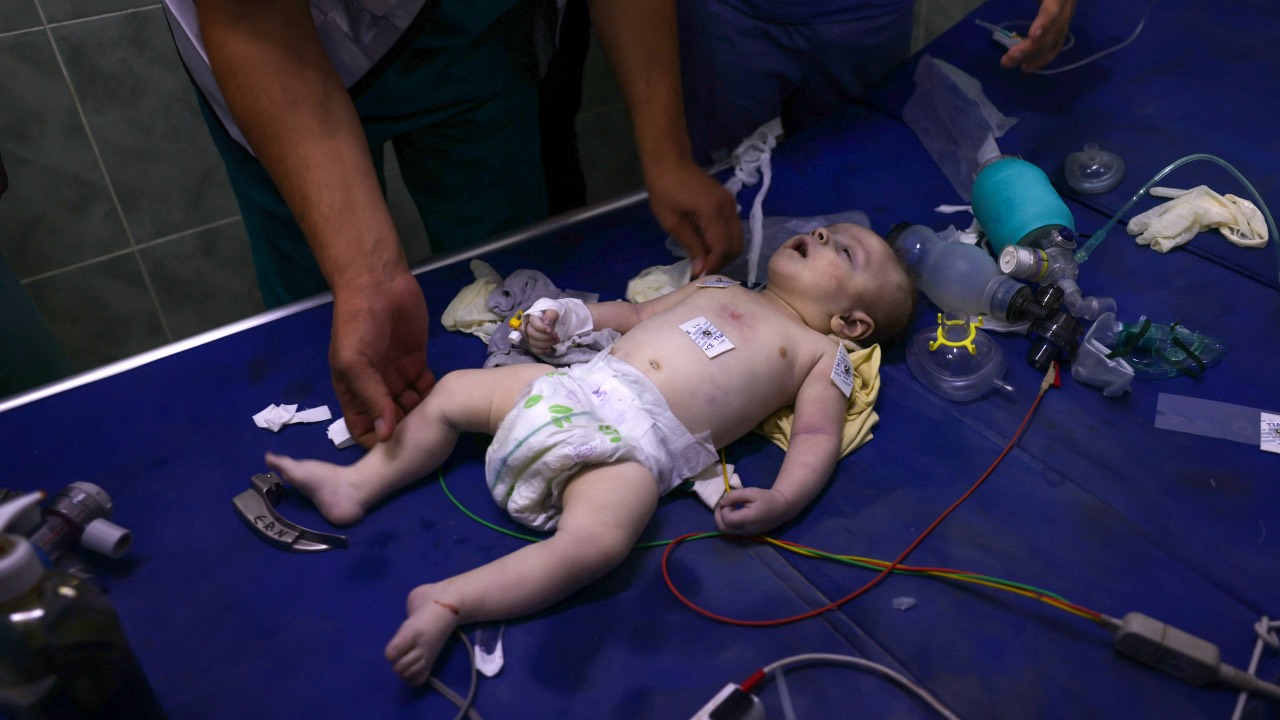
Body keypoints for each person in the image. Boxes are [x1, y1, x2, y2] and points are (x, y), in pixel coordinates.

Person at [263, 221, 914, 685]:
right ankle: (360, 484)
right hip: (571, 386)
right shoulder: (716, 283)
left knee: (600, 544)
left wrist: (782, 498)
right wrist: (571, 318)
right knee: (457, 391)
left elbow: (818, 438)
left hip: (637, 447)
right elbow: (636, 314)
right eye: (828, 230)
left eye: (844, 251)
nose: (823, 235)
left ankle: (449, 600)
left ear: (852, 324)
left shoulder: (823, 357)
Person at [161, 0, 742, 448]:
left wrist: (667, 153)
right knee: (341, 326)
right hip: (267, 48)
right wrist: (368, 278)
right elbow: (253, 21)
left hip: (466, 34)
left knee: (509, 266)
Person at [677, 0, 1078, 165]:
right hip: (732, 12)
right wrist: (664, 157)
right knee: (723, 167)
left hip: (868, 12)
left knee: (851, 152)